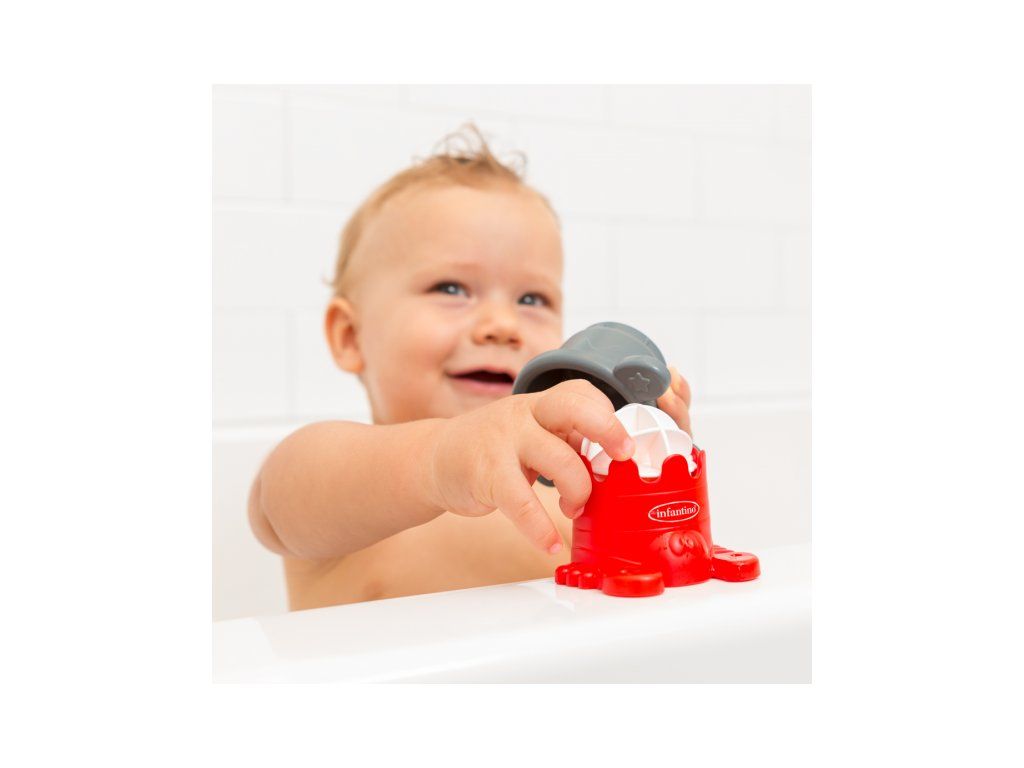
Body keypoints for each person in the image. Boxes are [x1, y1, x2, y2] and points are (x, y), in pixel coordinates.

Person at [248, 125, 693, 609]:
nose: (502, 325)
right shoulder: (334, 480)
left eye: (531, 299)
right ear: (350, 336)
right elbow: (275, 508)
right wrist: (440, 459)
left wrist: (647, 474)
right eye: (451, 289)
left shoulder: (572, 501)